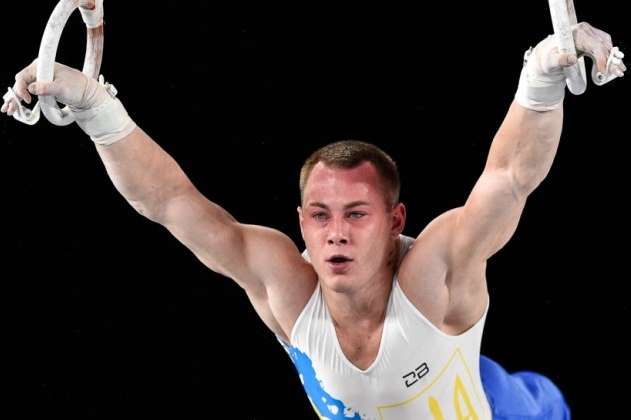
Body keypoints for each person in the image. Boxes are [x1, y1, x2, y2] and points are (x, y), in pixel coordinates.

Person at [2, 20, 625, 420]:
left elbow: (509, 177)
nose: (336, 232)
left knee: (540, 404)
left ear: (396, 220)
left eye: (357, 213)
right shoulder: (285, 285)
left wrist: (543, 76)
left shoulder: (435, 275)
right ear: (300, 222)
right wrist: (97, 111)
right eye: (321, 215)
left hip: (499, 406)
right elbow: (171, 203)